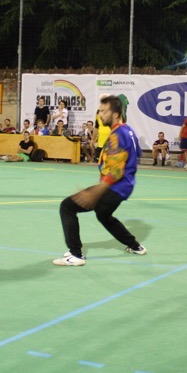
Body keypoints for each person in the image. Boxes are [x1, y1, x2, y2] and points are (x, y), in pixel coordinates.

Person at [54, 95, 145, 266]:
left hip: (115, 186)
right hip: (125, 185)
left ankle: (76, 255)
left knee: (67, 207)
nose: (100, 115)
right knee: (103, 215)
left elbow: (116, 172)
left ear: (116, 114)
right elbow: (136, 153)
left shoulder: (117, 136)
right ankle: (135, 246)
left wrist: (95, 192)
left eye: (104, 111)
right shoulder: (128, 131)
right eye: (100, 111)